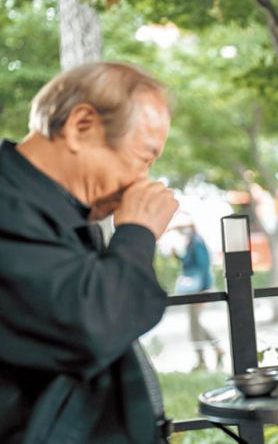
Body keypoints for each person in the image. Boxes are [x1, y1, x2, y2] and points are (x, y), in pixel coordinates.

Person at [0, 62, 179, 443]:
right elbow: (93, 323)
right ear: (81, 126)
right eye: (144, 158)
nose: (142, 180)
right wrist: (137, 232)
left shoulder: (58, 212)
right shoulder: (8, 205)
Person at [171, 216, 224, 370]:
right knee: (196, 324)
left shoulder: (197, 243)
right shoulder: (192, 243)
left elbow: (203, 268)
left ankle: (203, 359)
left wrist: (205, 290)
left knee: (194, 325)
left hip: (198, 291)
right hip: (193, 290)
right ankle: (216, 350)